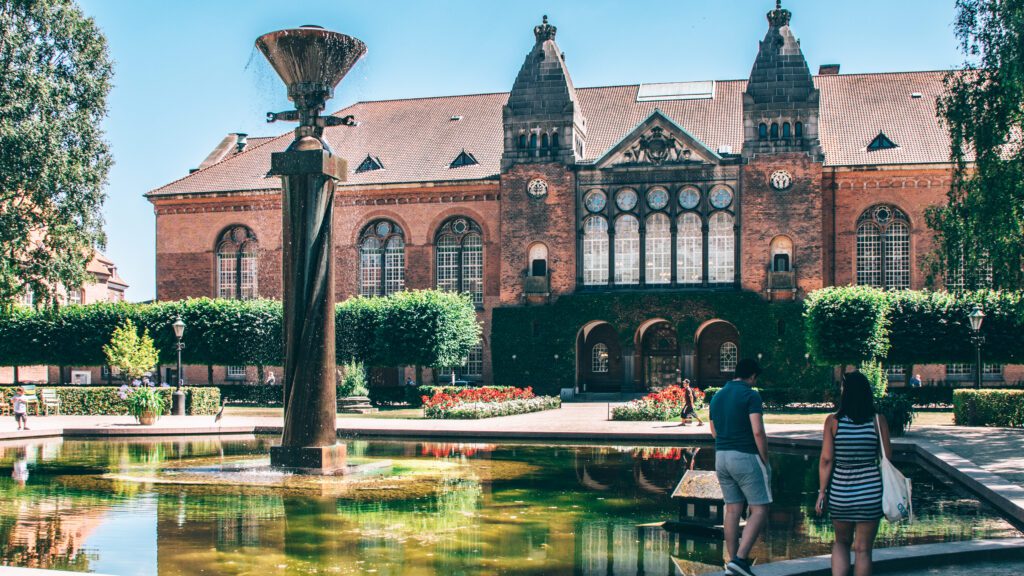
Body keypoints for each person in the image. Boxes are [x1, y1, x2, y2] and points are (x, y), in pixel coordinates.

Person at [816, 371, 891, 576]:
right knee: (863, 549)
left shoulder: (833, 421)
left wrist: (822, 492)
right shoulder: (878, 420)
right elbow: (887, 459)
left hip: (841, 492)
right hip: (870, 492)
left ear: (845, 392)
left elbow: (826, 459)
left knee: (841, 542)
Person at [709, 359, 769, 576]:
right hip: (744, 455)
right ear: (752, 376)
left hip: (721, 457)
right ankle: (741, 559)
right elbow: (758, 431)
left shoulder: (717, 396)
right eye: (755, 378)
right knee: (760, 508)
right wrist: (765, 458)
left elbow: (714, 431)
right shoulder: (750, 395)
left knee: (732, 509)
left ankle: (732, 562)